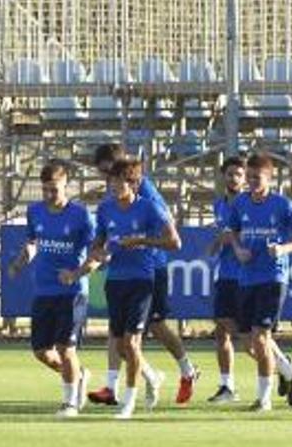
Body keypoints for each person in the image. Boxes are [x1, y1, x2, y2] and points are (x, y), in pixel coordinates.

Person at [87, 144, 199, 408]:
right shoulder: (110, 199)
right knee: (120, 335)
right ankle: (131, 381)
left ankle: (186, 370)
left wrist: (141, 241)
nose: (106, 179)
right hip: (122, 271)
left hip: (151, 268)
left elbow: (166, 226)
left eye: (108, 172)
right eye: (103, 174)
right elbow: (104, 234)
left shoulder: (143, 191)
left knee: (155, 327)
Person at [8, 161, 97, 418]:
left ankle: (70, 403)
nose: (48, 195)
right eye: (45, 189)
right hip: (44, 290)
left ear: (65, 185)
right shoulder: (35, 211)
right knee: (41, 352)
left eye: (54, 190)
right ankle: (78, 376)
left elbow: (97, 254)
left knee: (65, 348)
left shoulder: (81, 216)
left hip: (72, 293)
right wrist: (20, 261)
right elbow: (33, 242)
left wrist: (76, 273)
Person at [227, 153, 292, 413]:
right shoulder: (240, 203)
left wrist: (284, 249)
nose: (251, 181)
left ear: (269, 179)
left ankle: (264, 399)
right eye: (249, 176)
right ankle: (287, 369)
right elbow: (233, 231)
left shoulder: (283, 205)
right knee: (248, 341)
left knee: (261, 338)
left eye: (256, 177)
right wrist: (238, 249)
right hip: (246, 278)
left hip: (273, 278)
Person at [206, 156, 246, 403]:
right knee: (222, 331)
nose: (233, 178)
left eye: (238, 174)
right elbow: (222, 234)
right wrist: (215, 244)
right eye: (229, 174)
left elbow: (242, 234)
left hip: (245, 275)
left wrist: (231, 237)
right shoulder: (219, 205)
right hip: (225, 273)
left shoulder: (248, 204)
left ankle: (283, 365)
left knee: (247, 333)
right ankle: (226, 386)